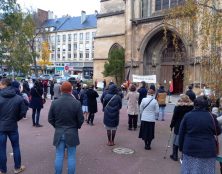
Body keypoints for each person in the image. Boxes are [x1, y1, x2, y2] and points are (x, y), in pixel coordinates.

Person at [48, 81, 84, 174]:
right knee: (71, 156)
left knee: (59, 155)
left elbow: (50, 118)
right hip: (72, 132)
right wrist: (77, 127)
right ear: (71, 90)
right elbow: (80, 119)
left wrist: (57, 126)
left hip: (59, 131)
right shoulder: (76, 103)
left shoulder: (55, 102)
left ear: (61, 90)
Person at [179, 95, 221, 174]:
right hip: (208, 150)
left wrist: (181, 148)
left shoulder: (188, 116)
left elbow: (181, 133)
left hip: (190, 149)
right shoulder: (212, 117)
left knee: (189, 170)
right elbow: (218, 131)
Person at [0, 78, 26, 174]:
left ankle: (3, 170)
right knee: (16, 146)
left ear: (4, 85)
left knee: (1, 148)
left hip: (1, 127)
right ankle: (17, 168)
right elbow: (23, 111)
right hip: (12, 126)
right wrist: (16, 119)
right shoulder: (18, 98)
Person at [169, 94, 193, 161]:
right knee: (185, 140)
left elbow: (174, 117)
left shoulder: (178, 106)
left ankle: (175, 155)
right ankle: (183, 156)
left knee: (176, 140)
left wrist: (171, 125)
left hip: (178, 125)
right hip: (187, 125)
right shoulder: (191, 107)